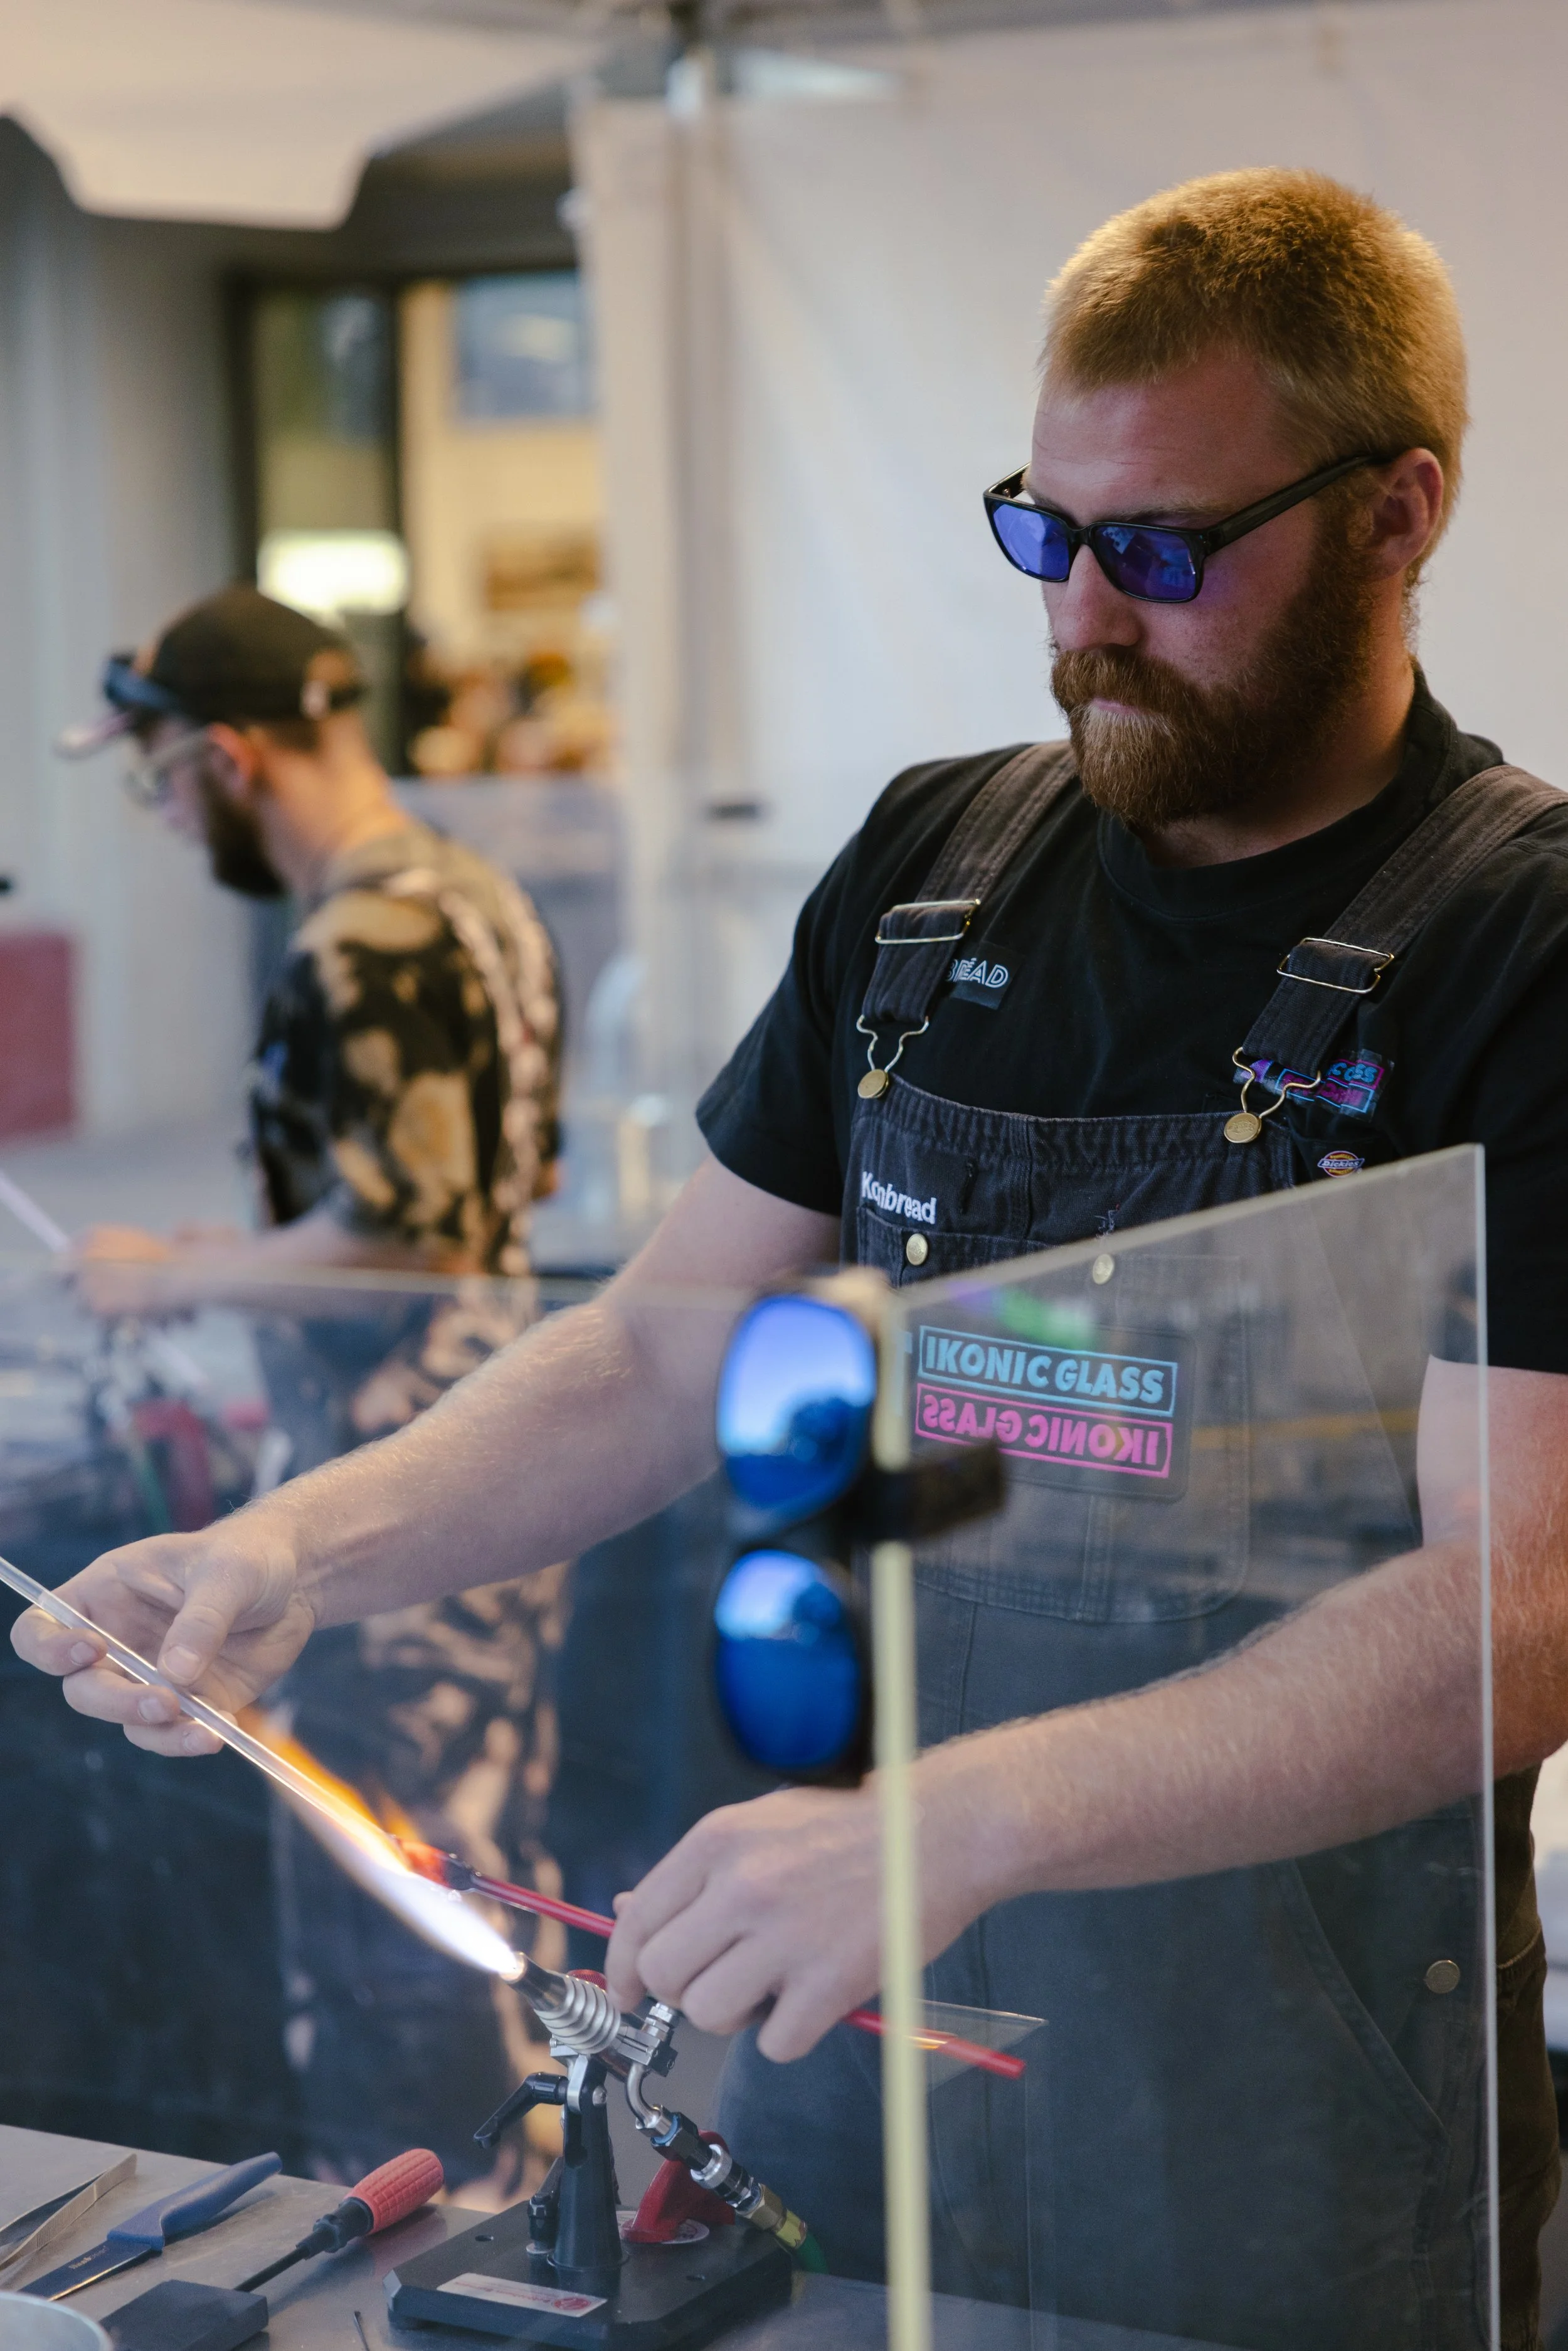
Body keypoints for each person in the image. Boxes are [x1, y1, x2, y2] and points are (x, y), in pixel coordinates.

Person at [19, 172, 1568, 2342]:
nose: (1085, 620)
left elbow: (1520, 1594)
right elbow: (664, 1346)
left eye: (1165, 553)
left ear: (1401, 515)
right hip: (858, 2019)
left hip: (1288, 2108)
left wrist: (964, 1815)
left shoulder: (1525, 940)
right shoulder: (933, 876)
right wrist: (301, 1546)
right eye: (1048, 532)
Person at [55, 586, 569, 2186]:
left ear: (229, 753)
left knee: (393, 1904)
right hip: (495, 1441)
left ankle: (463, 2239)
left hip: (397, 1475)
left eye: (159, 776)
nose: (165, 813)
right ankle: (536, 2216)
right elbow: (474, 1195)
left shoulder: (363, 933)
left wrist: (177, 1269)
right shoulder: (472, 897)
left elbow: (398, 1230)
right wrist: (256, 1238)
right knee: (477, 1863)